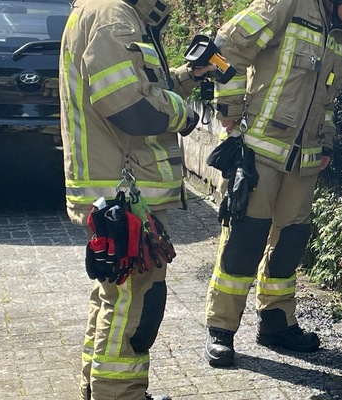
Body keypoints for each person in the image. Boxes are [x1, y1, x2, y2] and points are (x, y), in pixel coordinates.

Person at [203, 0, 342, 367]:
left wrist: (328, 143)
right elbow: (226, 50)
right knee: (245, 237)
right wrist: (230, 113)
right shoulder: (286, 5)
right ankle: (220, 329)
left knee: (289, 242)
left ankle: (276, 322)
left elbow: (329, 101)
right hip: (258, 151)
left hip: (305, 161)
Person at [58, 0, 214, 398]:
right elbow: (128, 106)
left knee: (114, 294)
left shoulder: (105, 12)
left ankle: (99, 389)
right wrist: (184, 113)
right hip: (126, 191)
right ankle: (120, 394)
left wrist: (186, 76)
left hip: (118, 190)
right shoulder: (114, 16)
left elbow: (140, 88)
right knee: (136, 300)